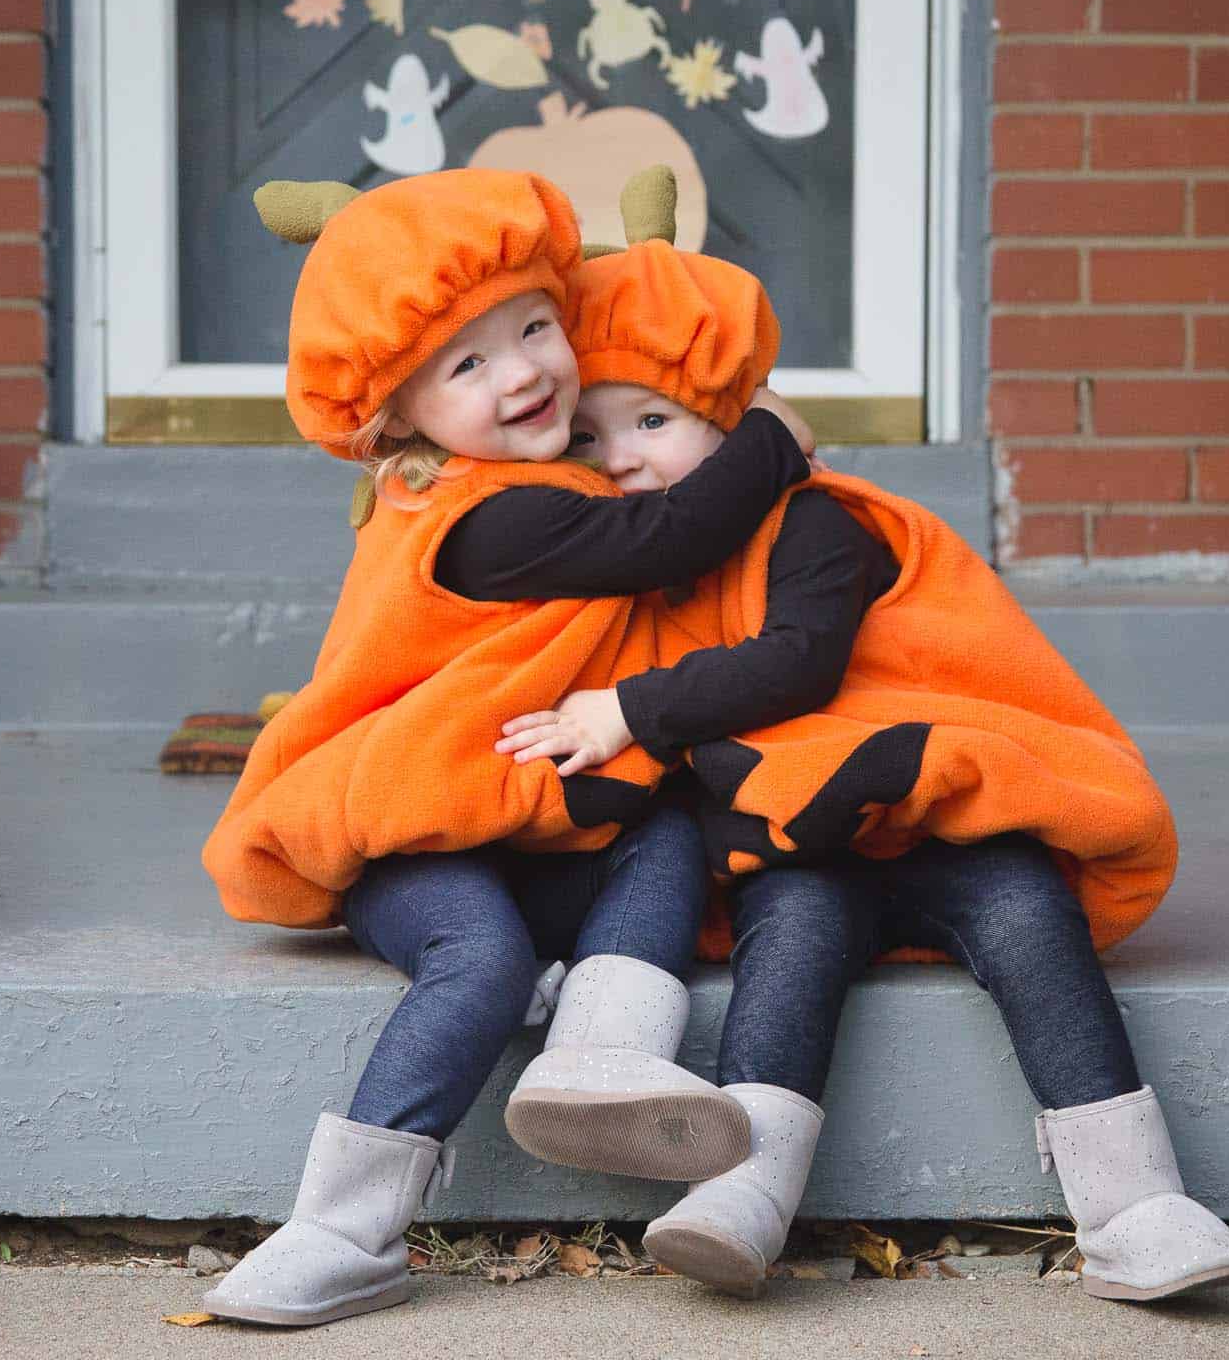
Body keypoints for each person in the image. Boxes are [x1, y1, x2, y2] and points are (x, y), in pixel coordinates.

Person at [499, 172, 1229, 1305]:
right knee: (791, 937)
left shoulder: (813, 524)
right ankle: (743, 1189)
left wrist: (630, 712)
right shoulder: (642, 580)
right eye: (596, 438)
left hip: (940, 812)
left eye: (653, 422)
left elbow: (798, 661)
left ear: (732, 416)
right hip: (807, 844)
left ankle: (1133, 1200)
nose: (622, 460)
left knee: (1027, 917)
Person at [198, 169, 816, 1327]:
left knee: (661, 830)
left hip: (514, 817)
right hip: (405, 843)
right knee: (475, 959)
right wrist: (772, 432)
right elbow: (675, 529)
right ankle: (346, 1225)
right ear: (396, 412)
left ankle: (604, 1047)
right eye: (467, 364)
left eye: (535, 327)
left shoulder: (526, 473)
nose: (526, 369)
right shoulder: (493, 516)